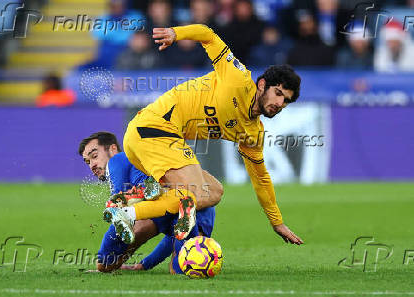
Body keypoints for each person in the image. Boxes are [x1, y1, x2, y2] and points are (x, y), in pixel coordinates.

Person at [107, 23, 304, 246]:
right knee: (195, 193)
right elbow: (208, 35)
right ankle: (130, 209)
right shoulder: (237, 78)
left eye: (285, 100)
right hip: (154, 127)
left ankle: (131, 205)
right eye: (277, 93)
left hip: (153, 143)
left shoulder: (252, 133)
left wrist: (276, 222)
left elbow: (260, 178)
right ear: (261, 85)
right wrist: (175, 34)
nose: (279, 103)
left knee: (214, 192)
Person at [78, 131, 216, 272]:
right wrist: (145, 264)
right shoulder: (143, 161)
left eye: (94, 156)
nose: (92, 165)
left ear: (113, 148)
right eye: (88, 162)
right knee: (179, 269)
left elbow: (119, 208)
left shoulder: (117, 160)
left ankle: (139, 194)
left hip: (164, 201)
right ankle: (147, 194)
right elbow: (171, 237)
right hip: (196, 206)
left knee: (116, 211)